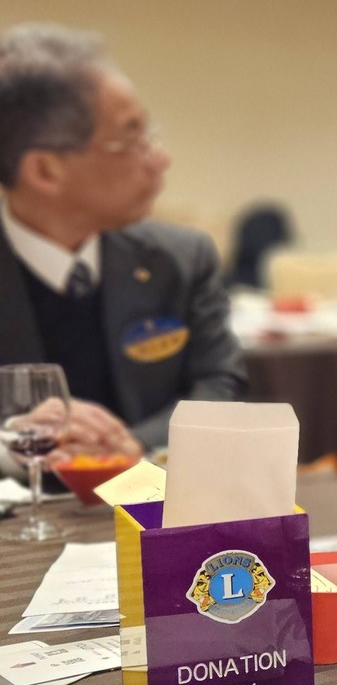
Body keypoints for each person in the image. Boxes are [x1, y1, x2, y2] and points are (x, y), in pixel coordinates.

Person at [0, 23, 245, 461]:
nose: (160, 159)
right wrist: (15, 441)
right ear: (45, 171)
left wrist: (134, 445)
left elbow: (221, 385)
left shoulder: (179, 259)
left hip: (152, 494)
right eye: (130, 139)